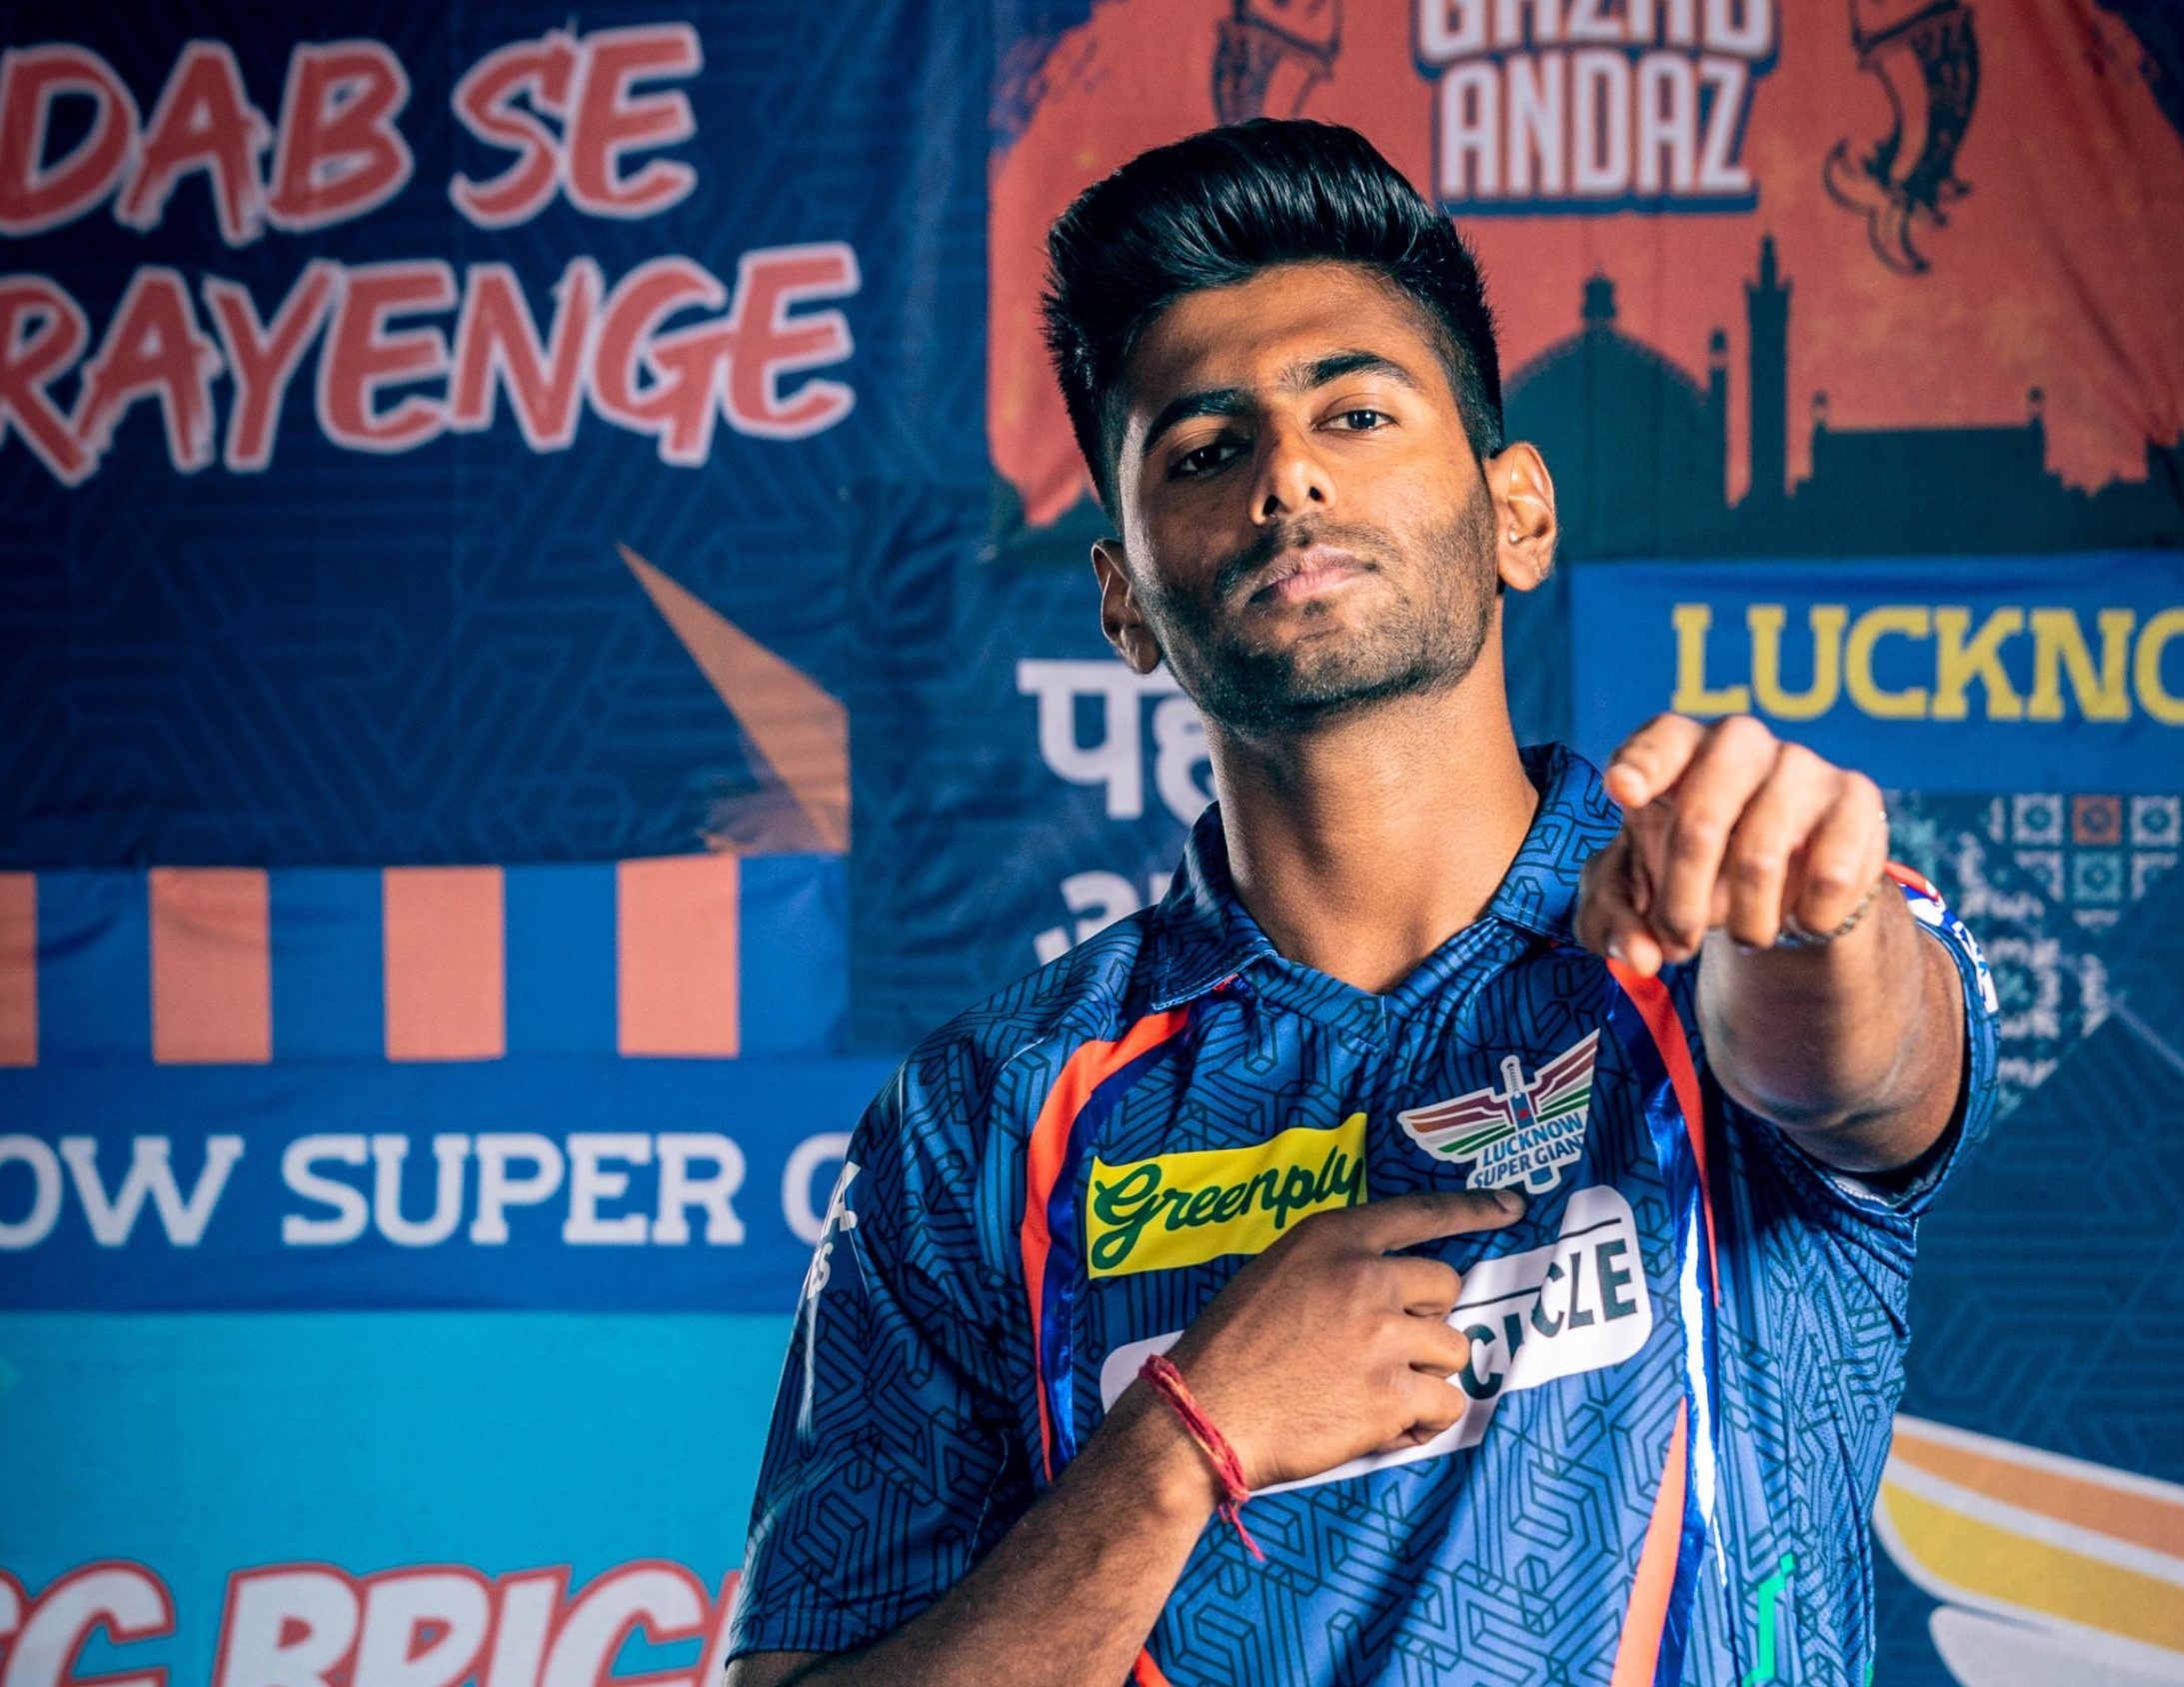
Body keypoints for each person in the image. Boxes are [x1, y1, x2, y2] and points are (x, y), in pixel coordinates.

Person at [725, 119, 1998, 1687]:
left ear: (1517, 512)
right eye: (1206, 452)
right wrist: (1182, 1442)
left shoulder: (1716, 923)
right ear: (1125, 600)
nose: (1291, 474)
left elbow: (1852, 1071)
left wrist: (1806, 920)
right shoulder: (981, 1118)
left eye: (1356, 410)